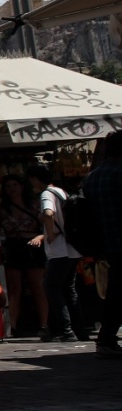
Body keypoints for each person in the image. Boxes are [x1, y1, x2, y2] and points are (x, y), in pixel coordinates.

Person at [27, 163, 89, 343]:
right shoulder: (61, 191)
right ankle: (80, 330)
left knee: (51, 288)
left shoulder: (46, 194)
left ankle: (67, 330)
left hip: (59, 249)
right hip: (71, 247)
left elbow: (48, 213)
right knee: (69, 289)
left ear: (35, 179)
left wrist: (51, 233)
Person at [82, 131, 122, 359]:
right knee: (117, 292)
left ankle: (106, 337)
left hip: (106, 243)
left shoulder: (93, 176)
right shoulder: (119, 174)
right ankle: (107, 337)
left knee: (116, 291)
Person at [0, 174, 49, 336]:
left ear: (21, 187)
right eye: (8, 186)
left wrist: (40, 237)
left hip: (32, 244)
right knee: (14, 288)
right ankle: (12, 325)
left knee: (38, 287)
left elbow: (47, 227)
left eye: (14, 185)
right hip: (13, 245)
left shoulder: (33, 205)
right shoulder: (2, 208)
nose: (11, 189)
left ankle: (44, 324)